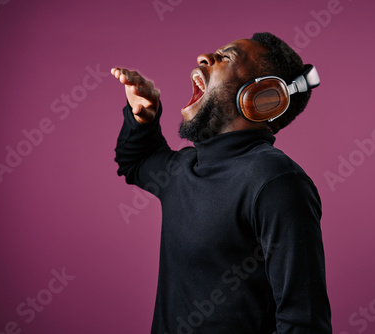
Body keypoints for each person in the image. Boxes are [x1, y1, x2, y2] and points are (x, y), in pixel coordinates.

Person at [112, 32, 332, 334]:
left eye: (226, 57)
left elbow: (303, 322)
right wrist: (144, 116)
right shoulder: (184, 168)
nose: (205, 57)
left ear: (263, 96)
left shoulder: (276, 181)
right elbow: (135, 162)